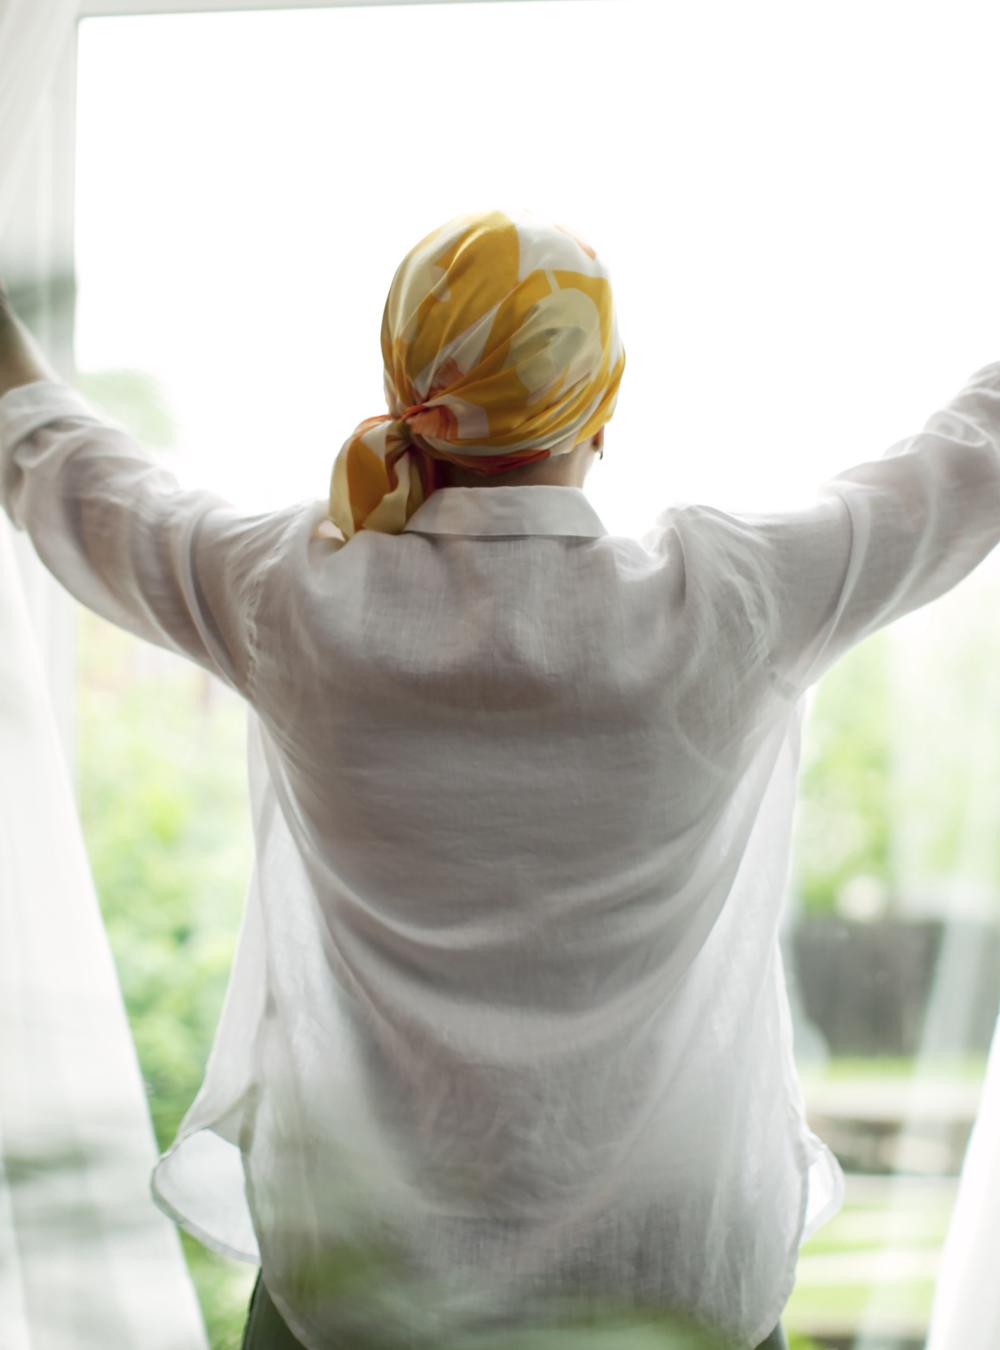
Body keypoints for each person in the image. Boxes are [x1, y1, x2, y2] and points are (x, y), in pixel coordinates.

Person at [1, 207, 998, 1350]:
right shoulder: (732, 605)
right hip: (673, 1280)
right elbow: (967, 464)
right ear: (603, 411)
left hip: (357, 1293)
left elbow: (68, 474)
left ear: (402, 391)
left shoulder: (293, 600)